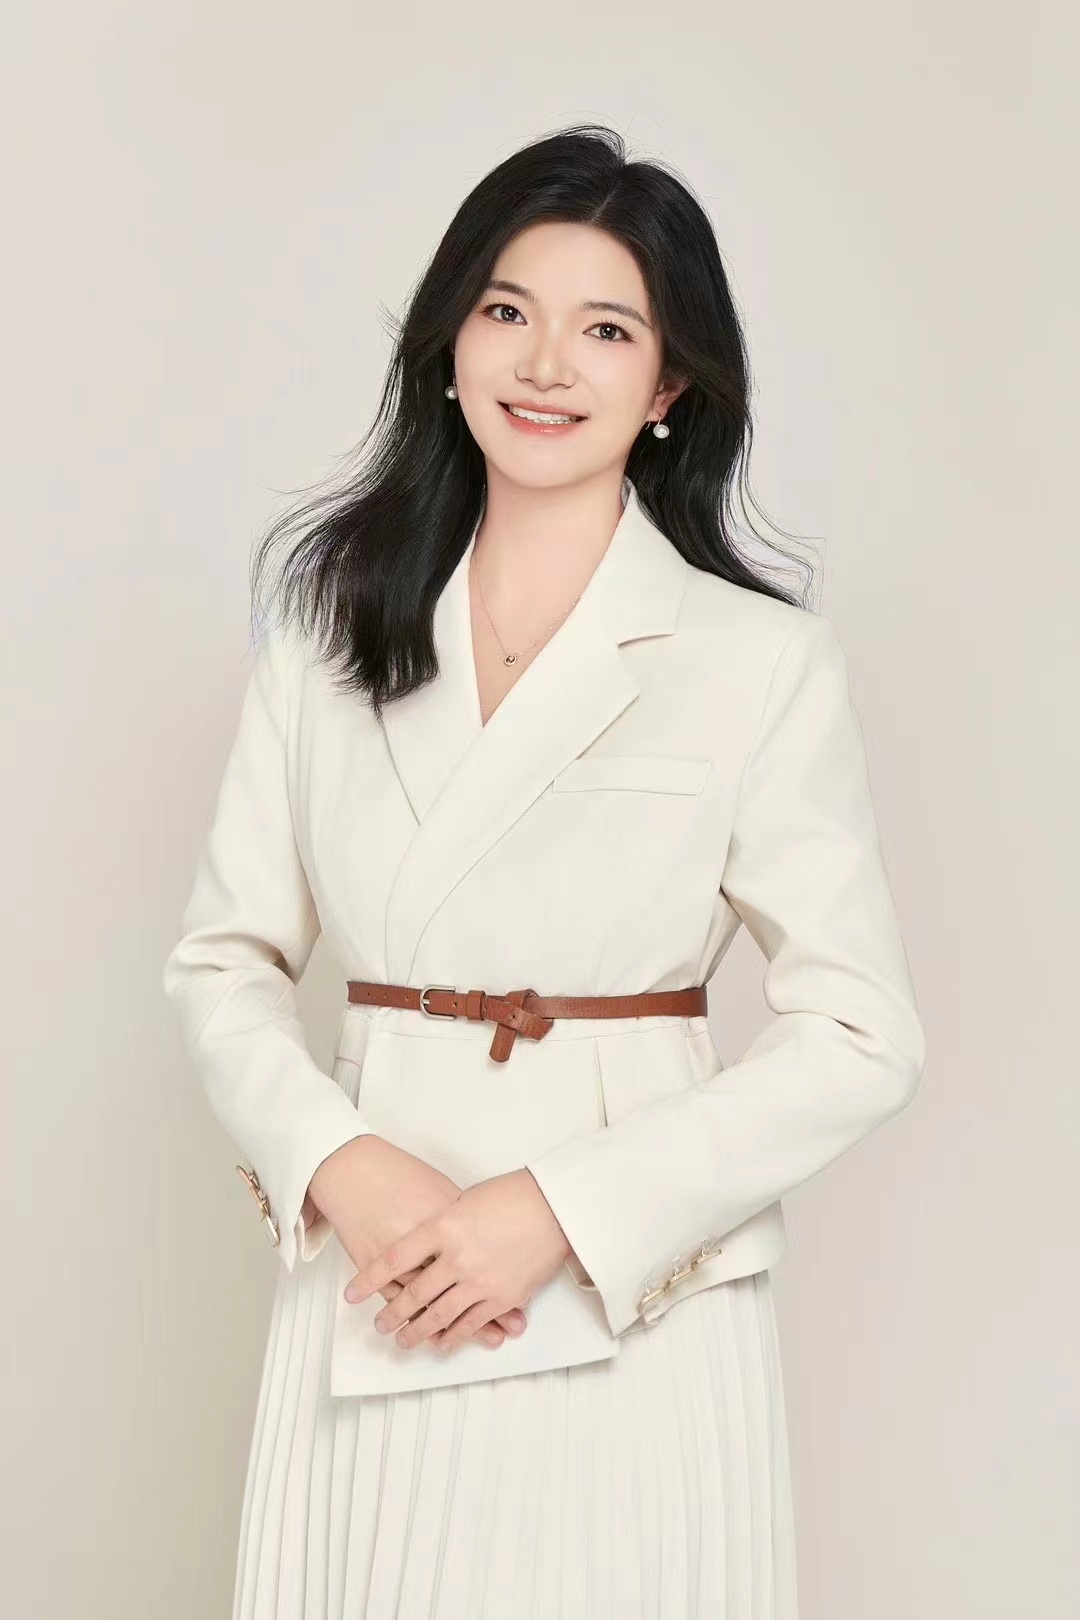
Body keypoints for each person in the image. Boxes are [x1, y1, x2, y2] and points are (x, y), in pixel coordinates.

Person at [162, 122, 925, 1620]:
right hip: (372, 1277)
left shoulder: (757, 663)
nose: (545, 362)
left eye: (607, 328)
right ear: (451, 346)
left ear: (670, 388)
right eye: (508, 311)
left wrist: (561, 1214)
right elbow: (222, 963)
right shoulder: (326, 633)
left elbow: (862, 1033)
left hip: (632, 1302)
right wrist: (341, 1165)